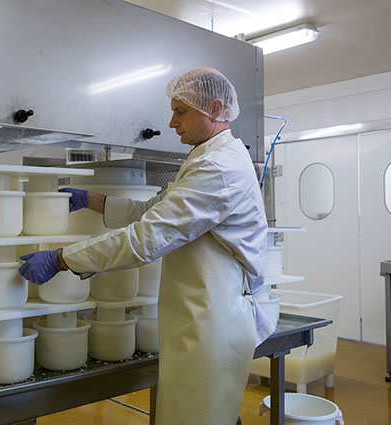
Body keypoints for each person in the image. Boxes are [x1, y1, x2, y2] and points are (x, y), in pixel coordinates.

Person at [18, 67, 273, 425]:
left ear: (215, 109)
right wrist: (92, 200)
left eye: (180, 111)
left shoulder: (219, 168)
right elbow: (153, 211)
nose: (172, 122)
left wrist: (62, 259)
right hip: (199, 317)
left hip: (212, 323)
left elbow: (146, 238)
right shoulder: (206, 157)